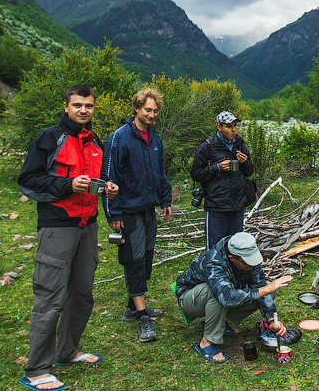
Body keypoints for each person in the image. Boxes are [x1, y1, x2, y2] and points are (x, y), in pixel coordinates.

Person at [17, 84, 119, 391]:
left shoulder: (94, 140)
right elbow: (28, 181)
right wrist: (66, 185)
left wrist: (106, 188)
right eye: (77, 105)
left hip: (88, 226)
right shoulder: (50, 138)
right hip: (57, 226)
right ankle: (36, 369)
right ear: (66, 106)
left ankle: (67, 352)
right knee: (50, 296)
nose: (83, 110)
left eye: (88, 105)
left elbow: (92, 180)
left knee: (83, 293)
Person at [102, 88, 173, 343]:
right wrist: (113, 212)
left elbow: (160, 172)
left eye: (155, 111)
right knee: (133, 257)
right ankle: (142, 316)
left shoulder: (154, 139)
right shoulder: (119, 138)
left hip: (148, 207)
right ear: (136, 108)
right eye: (148, 110)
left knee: (146, 257)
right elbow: (108, 177)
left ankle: (133, 306)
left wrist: (165, 198)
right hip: (128, 208)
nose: (152, 114)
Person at [174, 232, 292, 363]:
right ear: (232, 258)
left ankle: (219, 324)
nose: (252, 266)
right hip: (189, 298)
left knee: (265, 292)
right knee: (222, 294)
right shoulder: (214, 261)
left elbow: (259, 284)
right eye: (248, 263)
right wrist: (266, 289)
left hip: (221, 294)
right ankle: (207, 342)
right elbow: (226, 297)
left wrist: (271, 319)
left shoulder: (246, 255)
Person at [190, 111, 254, 249]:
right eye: (229, 126)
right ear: (219, 127)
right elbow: (196, 174)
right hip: (216, 206)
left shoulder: (240, 144)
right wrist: (217, 168)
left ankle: (232, 271)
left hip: (237, 205)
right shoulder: (207, 146)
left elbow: (249, 172)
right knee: (215, 250)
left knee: (236, 249)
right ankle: (215, 271)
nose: (234, 129)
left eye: (235, 125)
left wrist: (245, 162)